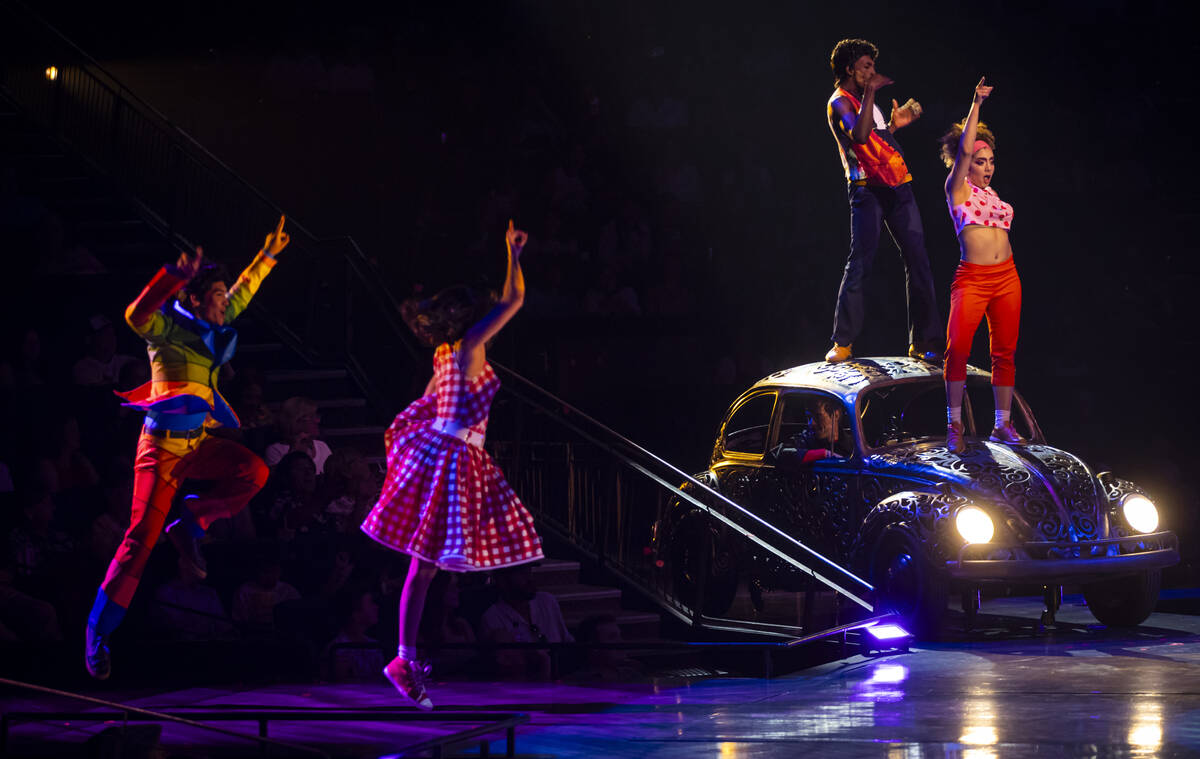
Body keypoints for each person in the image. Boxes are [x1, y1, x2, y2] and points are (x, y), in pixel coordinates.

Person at [85, 216, 290, 680]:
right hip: (161, 450)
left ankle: (194, 519)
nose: (226, 303)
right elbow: (134, 314)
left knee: (255, 472)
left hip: (197, 444)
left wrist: (268, 255)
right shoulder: (166, 330)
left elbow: (242, 291)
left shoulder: (214, 323)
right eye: (217, 296)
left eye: (223, 296)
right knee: (139, 542)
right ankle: (98, 631)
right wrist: (172, 274)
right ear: (195, 299)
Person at [361, 220, 544, 709]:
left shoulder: (446, 355)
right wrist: (513, 253)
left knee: (427, 569)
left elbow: (425, 407)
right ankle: (403, 657)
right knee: (428, 567)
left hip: (452, 454)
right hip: (456, 458)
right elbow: (514, 302)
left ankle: (404, 655)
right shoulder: (467, 348)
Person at [824, 38, 941, 364]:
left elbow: (876, 138)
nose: (872, 72)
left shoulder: (867, 103)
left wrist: (893, 125)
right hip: (867, 191)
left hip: (898, 189)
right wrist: (873, 93)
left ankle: (924, 342)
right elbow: (859, 137)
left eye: (873, 66)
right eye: (865, 67)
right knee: (861, 262)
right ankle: (842, 342)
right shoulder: (840, 103)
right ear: (849, 69)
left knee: (918, 260)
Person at [938, 78, 1024, 453]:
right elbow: (964, 149)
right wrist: (976, 103)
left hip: (1007, 276)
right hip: (972, 279)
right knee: (957, 349)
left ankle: (1002, 425)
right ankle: (954, 423)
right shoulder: (956, 189)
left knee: (1004, 352)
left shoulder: (993, 194)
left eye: (990, 161)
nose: (987, 167)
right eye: (978, 160)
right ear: (964, 161)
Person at [479, 564, 572, 681]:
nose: (529, 578)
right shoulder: (492, 618)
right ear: (502, 580)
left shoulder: (547, 602)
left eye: (529, 571)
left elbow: (567, 642)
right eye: (521, 574)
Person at [770, 397, 847, 470]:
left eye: (818, 416)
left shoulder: (852, 444)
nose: (811, 423)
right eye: (808, 417)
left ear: (836, 415)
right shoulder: (805, 439)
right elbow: (780, 454)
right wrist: (824, 453)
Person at [264, 396, 333, 474]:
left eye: (316, 416)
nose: (317, 420)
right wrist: (294, 448)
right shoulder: (275, 450)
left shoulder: (322, 446)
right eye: (312, 417)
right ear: (295, 421)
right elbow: (280, 478)